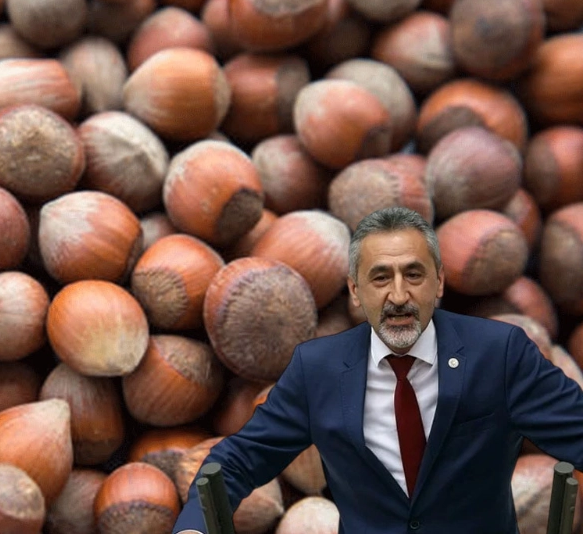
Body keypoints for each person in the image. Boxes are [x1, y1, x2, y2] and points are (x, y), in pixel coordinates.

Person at [173, 206, 583, 533]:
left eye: (414, 275)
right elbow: (241, 458)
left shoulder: (499, 353)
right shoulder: (318, 369)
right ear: (355, 290)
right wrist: (194, 526)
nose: (398, 295)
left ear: (440, 282)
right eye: (380, 278)